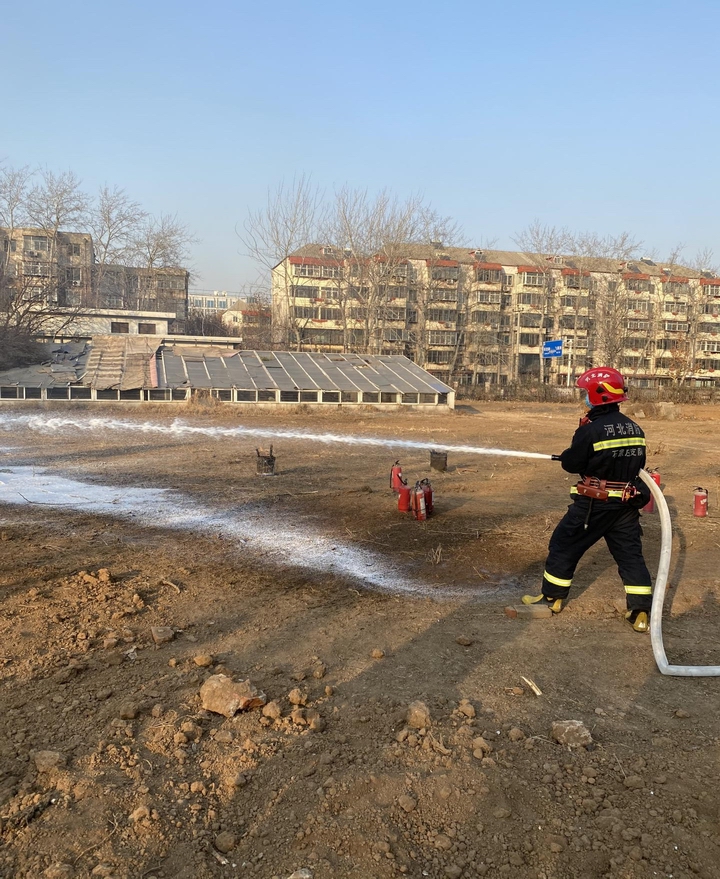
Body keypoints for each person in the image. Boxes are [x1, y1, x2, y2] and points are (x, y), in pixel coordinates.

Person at [523, 367, 653, 632]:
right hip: (626, 505)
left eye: (586, 393)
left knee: (563, 544)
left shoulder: (591, 430)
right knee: (630, 556)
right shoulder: (635, 428)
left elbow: (572, 464)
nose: (584, 397)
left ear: (597, 395)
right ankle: (640, 613)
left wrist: (568, 455)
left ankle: (551, 599)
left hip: (594, 503)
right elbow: (638, 465)